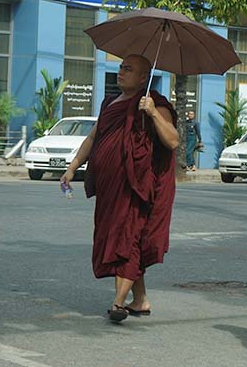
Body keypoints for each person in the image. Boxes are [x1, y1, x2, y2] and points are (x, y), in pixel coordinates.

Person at [60, 54, 179, 322]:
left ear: (142, 78)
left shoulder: (156, 105)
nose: (121, 72)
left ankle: (118, 302)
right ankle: (140, 299)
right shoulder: (109, 103)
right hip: (109, 188)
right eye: (120, 67)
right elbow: (94, 137)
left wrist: (151, 113)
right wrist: (73, 166)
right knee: (121, 238)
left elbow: (172, 141)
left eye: (128, 69)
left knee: (126, 239)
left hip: (134, 186)